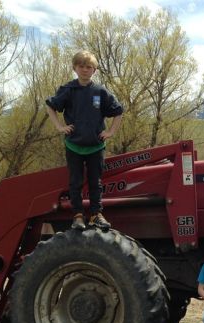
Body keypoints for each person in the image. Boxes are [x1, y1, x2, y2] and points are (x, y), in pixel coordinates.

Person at [46, 50, 123, 231]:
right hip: (74, 145)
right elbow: (50, 106)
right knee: (76, 182)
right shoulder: (68, 90)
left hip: (96, 146)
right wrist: (60, 127)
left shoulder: (100, 91)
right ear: (75, 68)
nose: (85, 70)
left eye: (89, 67)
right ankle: (78, 216)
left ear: (94, 70)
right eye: (81, 66)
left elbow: (118, 110)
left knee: (96, 182)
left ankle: (96, 214)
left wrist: (111, 131)